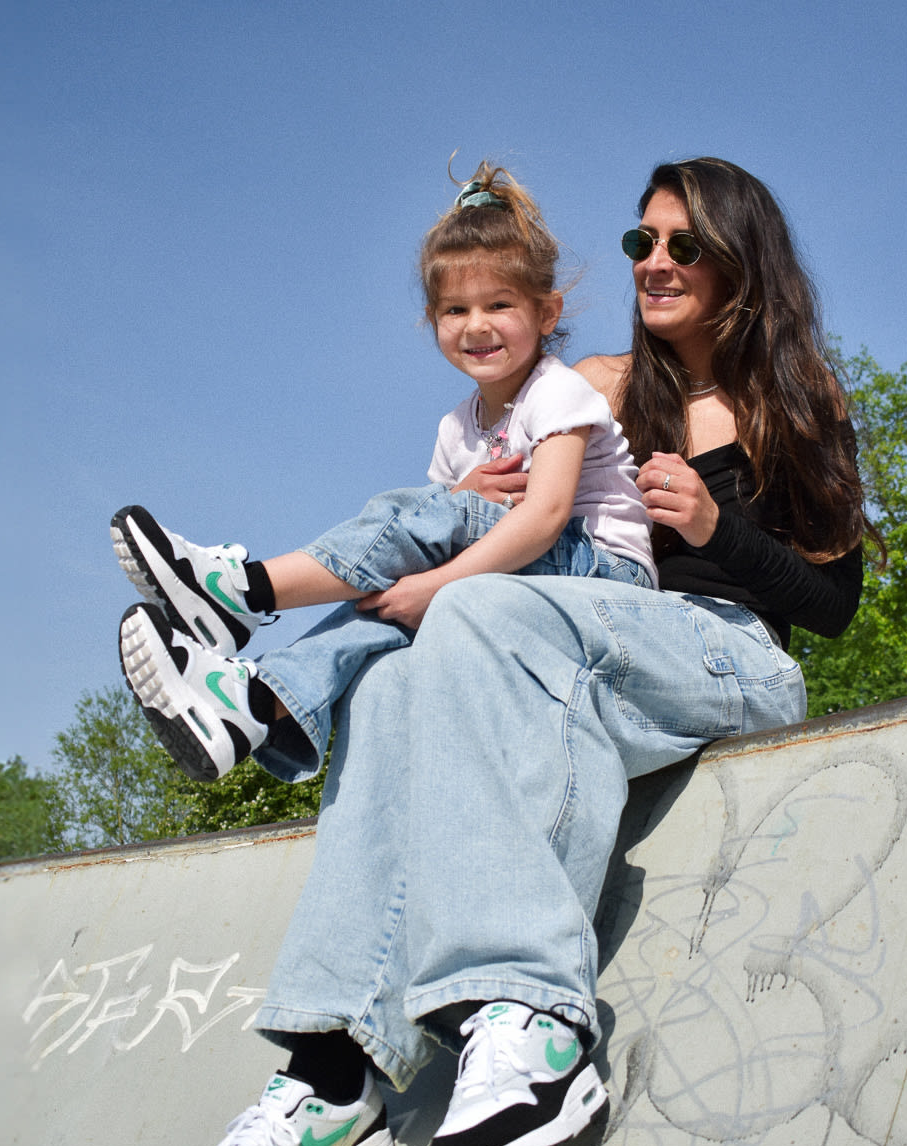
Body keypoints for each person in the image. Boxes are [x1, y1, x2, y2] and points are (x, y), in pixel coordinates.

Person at [167, 158, 868, 1146]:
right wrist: (472, 498)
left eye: (682, 246)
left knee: (479, 614)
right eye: (640, 243)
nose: (654, 264)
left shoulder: (795, 401)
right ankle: (330, 1076)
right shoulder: (592, 383)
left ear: (740, 262)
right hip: (578, 654)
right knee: (397, 679)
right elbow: (497, 497)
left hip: (726, 660)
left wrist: (713, 532)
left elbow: (831, 604)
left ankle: (535, 1018)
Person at [114, 162, 653, 785]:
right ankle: (259, 706)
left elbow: (547, 515)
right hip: (530, 569)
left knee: (426, 519)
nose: (476, 325)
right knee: (388, 600)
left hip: (607, 574)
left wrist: (443, 573)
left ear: (547, 312)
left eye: (499, 304)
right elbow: (413, 549)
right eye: (455, 310)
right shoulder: (457, 427)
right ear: (432, 321)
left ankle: (244, 590)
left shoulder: (558, 392)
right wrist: (439, 548)